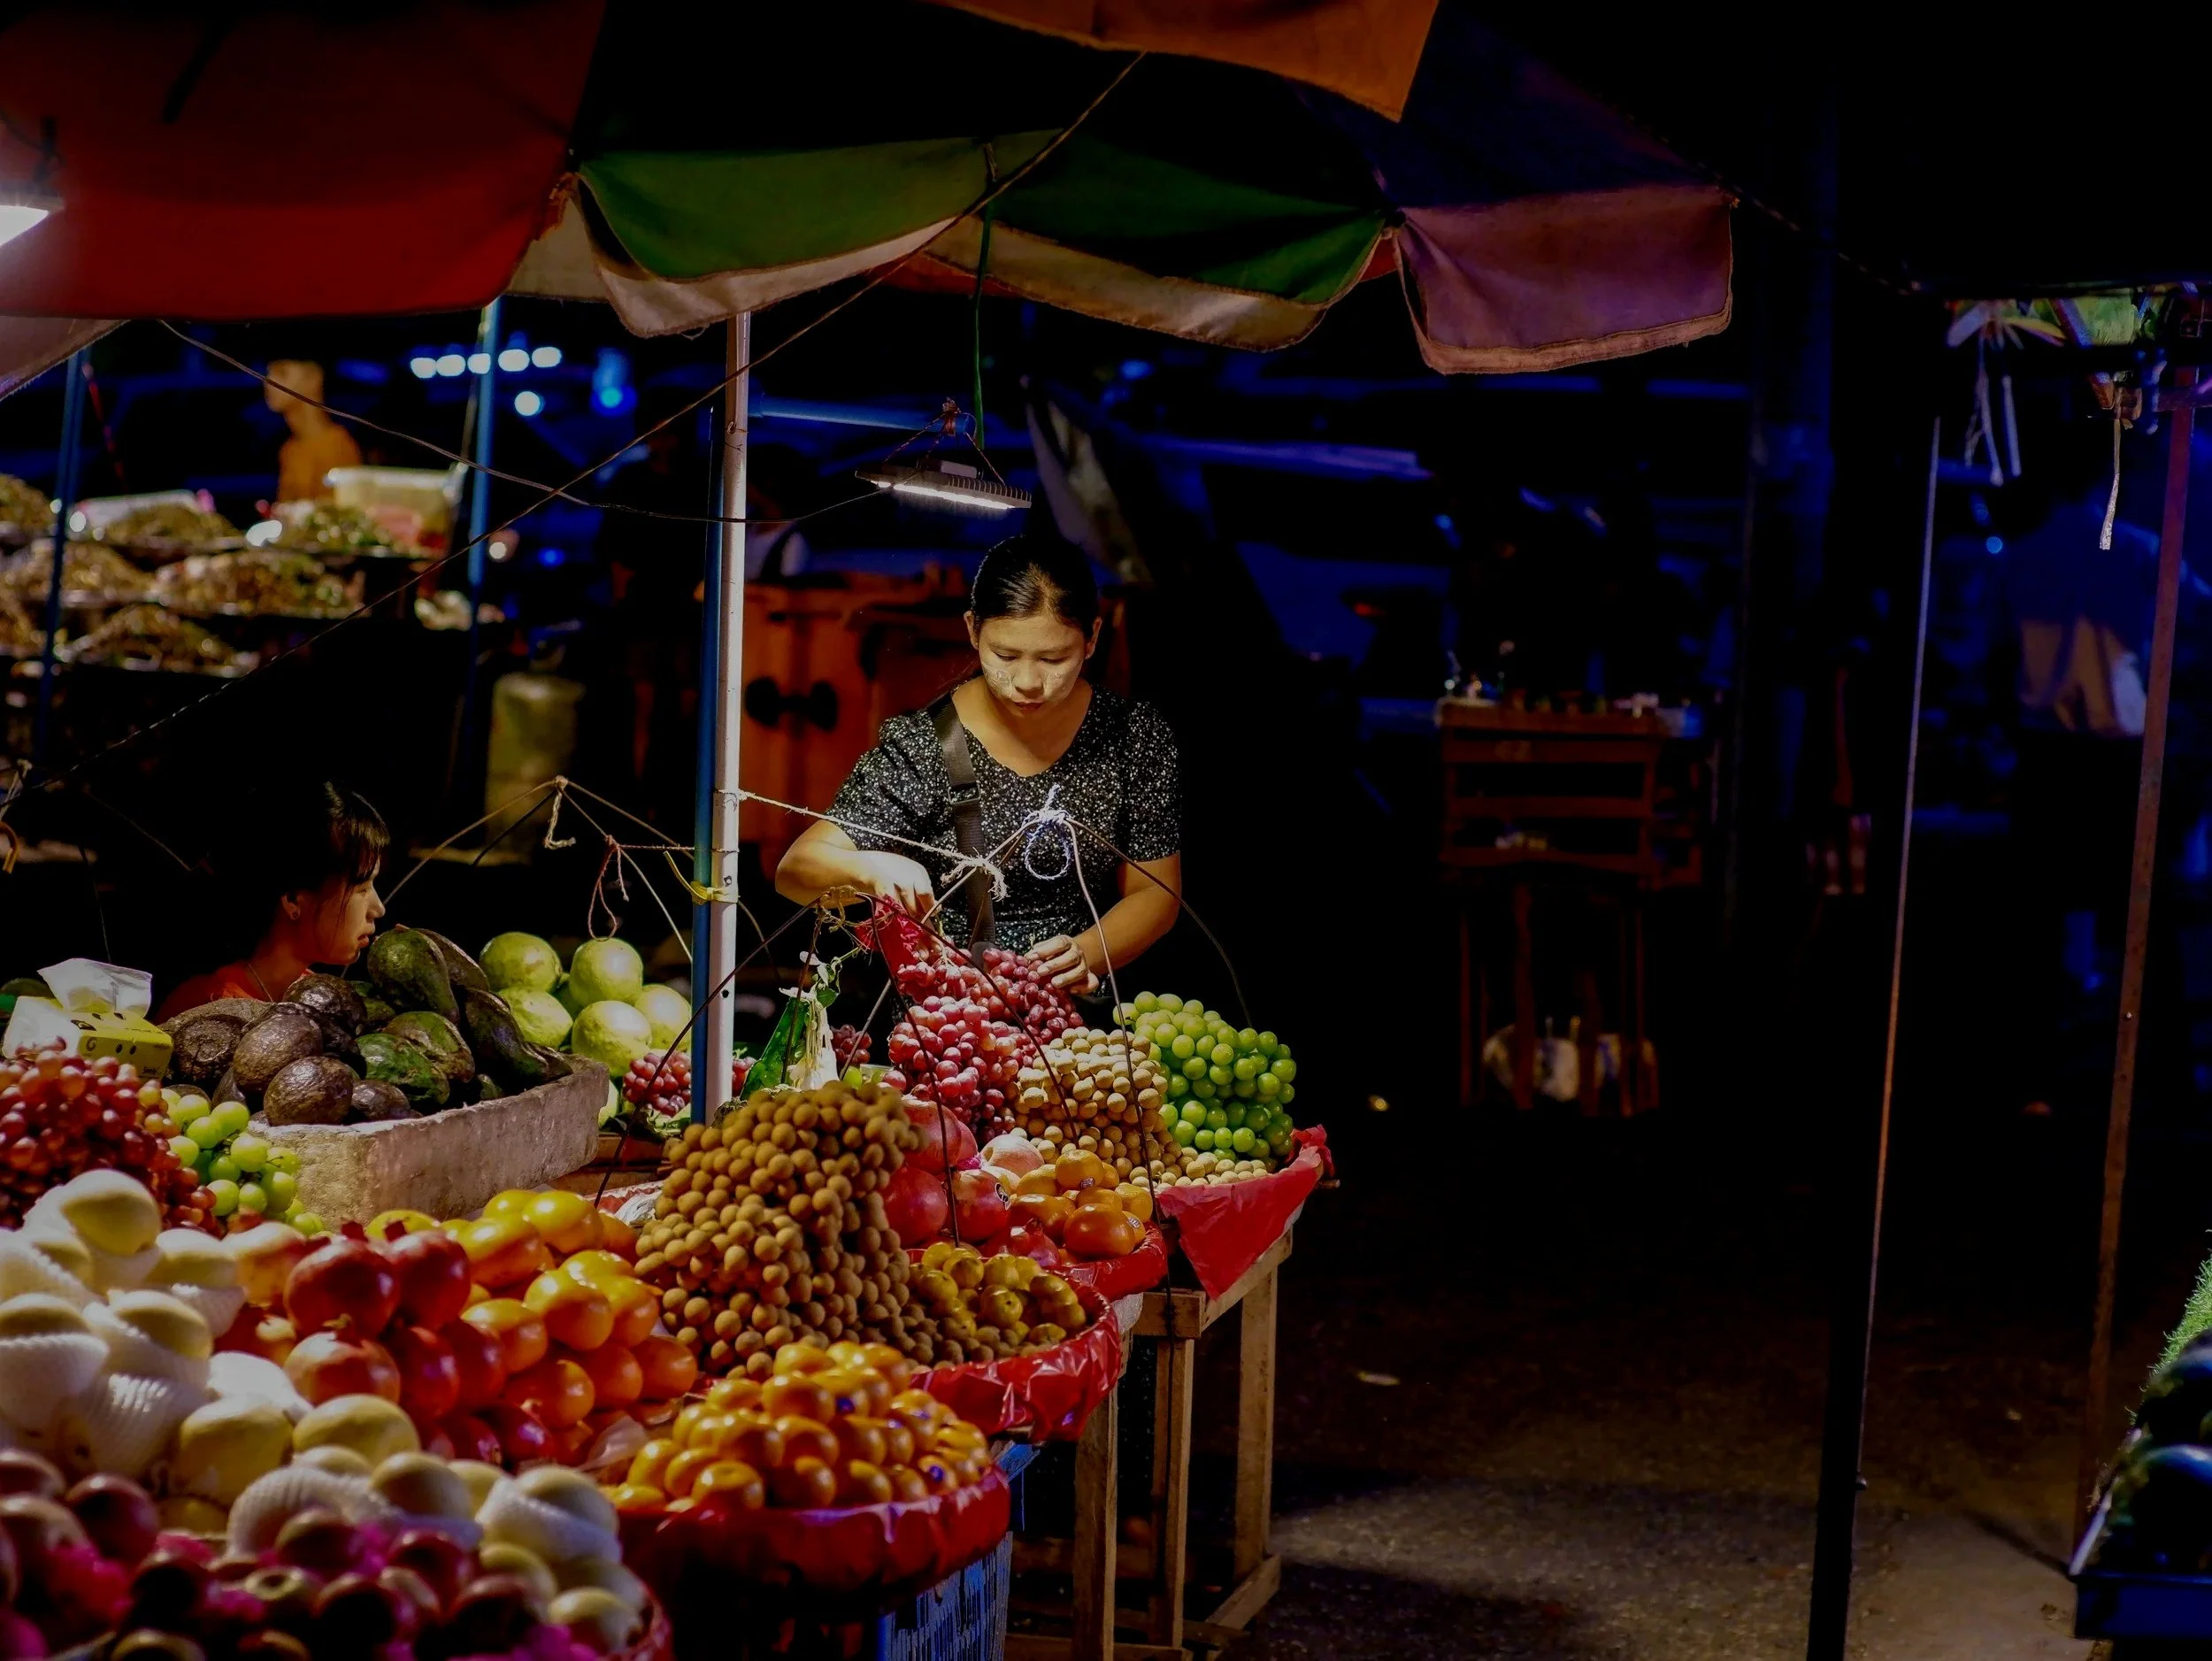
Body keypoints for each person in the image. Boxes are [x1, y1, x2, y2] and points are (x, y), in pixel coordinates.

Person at [775, 532, 1180, 990]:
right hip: (949, 1029)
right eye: (1005, 655)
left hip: (1080, 1024)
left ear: (1092, 639)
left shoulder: (1133, 735)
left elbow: (1155, 892)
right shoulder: (924, 744)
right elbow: (796, 870)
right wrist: (869, 869)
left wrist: (1087, 951)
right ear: (972, 630)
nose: (1028, 681)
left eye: (1054, 658)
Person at [157, 783, 389, 1019]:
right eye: (362, 888)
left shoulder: (327, 1002)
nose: (378, 908)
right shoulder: (203, 1008)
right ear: (292, 900)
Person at [265, 359, 361, 504]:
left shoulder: (336, 445)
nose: (269, 382)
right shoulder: (289, 449)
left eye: (282, 373)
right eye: (268, 374)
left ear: (313, 379)